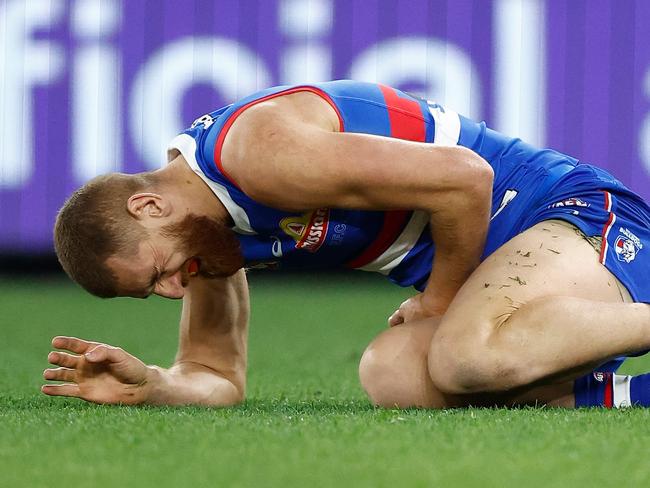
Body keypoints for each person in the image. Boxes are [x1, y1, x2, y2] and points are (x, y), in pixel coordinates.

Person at [46, 80, 650, 409]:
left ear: (148, 205)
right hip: (526, 274)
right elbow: (215, 376)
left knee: (463, 355)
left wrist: (438, 304)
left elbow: (467, 179)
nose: (175, 287)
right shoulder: (207, 234)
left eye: (158, 272)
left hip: (578, 220)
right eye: (154, 292)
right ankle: (623, 395)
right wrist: (155, 385)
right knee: (392, 374)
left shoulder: (256, 157)